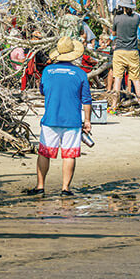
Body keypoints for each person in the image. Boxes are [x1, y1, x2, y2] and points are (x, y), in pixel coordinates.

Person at [26, 37, 92, 196]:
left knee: (44, 153)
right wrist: (87, 121)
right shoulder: (80, 73)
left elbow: (43, 90)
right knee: (69, 155)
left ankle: (40, 186)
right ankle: (65, 189)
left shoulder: (47, 71)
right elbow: (86, 100)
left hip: (51, 118)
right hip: (72, 120)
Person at [109, 0, 140, 110]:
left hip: (120, 51)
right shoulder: (136, 18)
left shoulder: (117, 18)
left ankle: (114, 105)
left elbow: (114, 33)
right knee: (136, 80)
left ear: (122, 6)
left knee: (118, 79)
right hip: (133, 51)